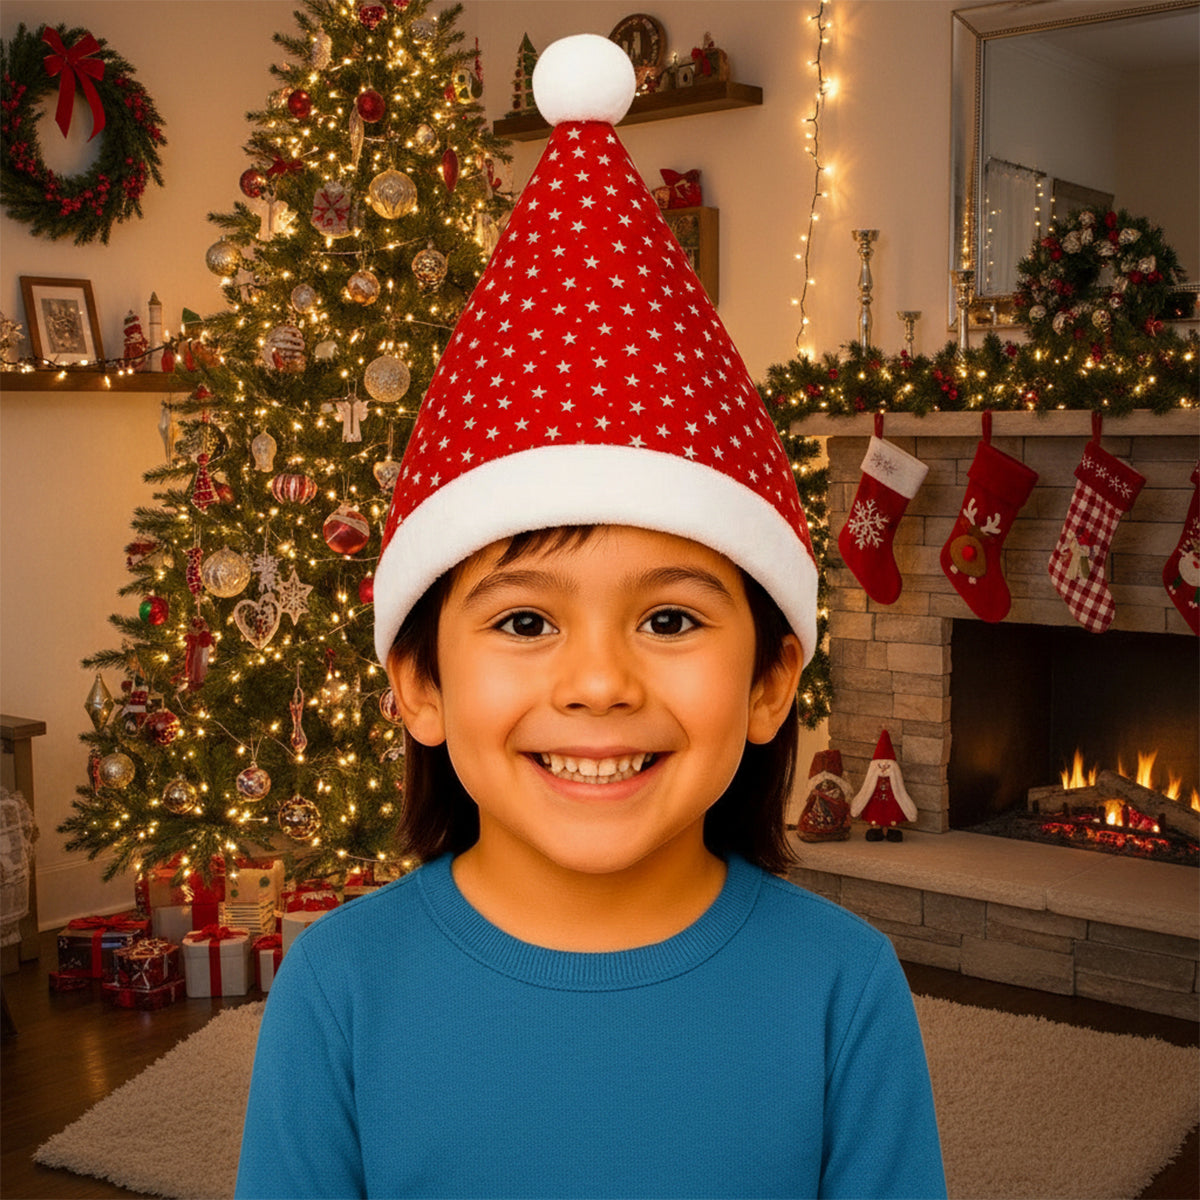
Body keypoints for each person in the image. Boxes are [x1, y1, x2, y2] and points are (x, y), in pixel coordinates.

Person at [237, 35, 946, 1200]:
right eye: (524, 624)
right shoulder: (339, 990)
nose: (601, 683)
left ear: (773, 681)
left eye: (671, 621)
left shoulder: (844, 991)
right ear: (419, 683)